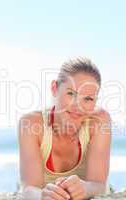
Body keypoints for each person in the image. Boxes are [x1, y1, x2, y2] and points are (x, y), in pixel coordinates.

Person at [18, 57, 111, 200]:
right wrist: (42, 196)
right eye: (71, 94)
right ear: (54, 89)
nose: (77, 106)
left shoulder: (99, 121)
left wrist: (85, 189)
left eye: (88, 99)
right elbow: (29, 189)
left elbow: (99, 184)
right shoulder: (30, 124)